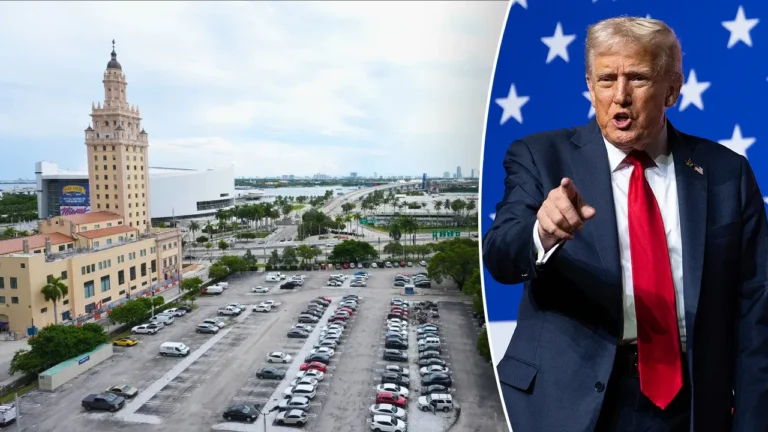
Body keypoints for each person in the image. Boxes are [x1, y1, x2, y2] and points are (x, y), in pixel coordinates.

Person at [483, 16, 768, 432]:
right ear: (588, 84)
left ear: (672, 87)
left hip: (687, 407)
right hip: (563, 404)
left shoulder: (727, 173)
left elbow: (756, 313)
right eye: (605, 79)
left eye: (637, 78)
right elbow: (500, 254)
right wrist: (541, 234)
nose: (620, 96)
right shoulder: (539, 156)